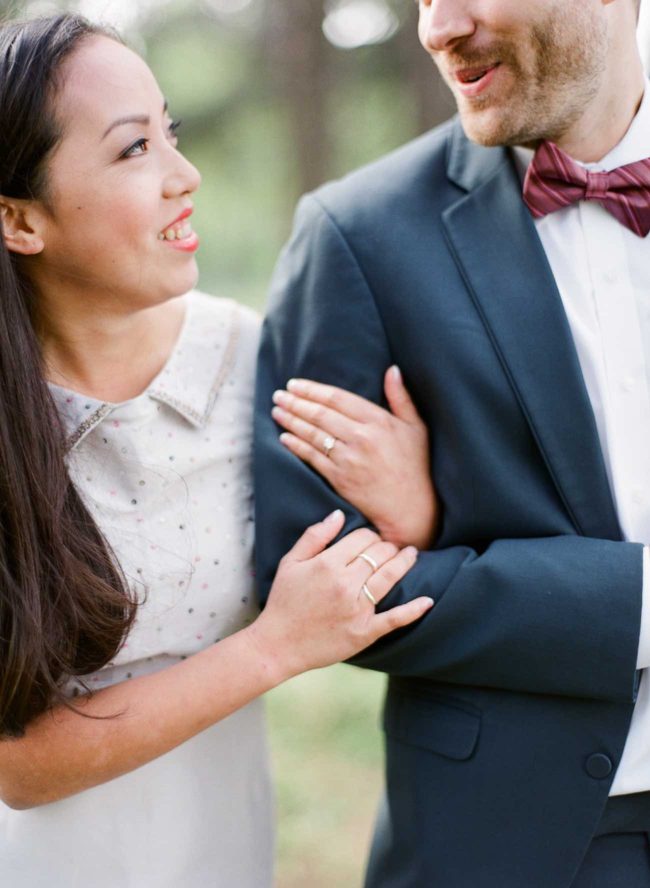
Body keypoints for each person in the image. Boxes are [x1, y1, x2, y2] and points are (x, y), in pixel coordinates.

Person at [0, 13, 435, 888]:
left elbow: (372, 565)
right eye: (133, 150)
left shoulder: (256, 365)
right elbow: (19, 765)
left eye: (174, 132)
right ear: (19, 219)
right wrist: (272, 648)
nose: (184, 175)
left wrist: (411, 504)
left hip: (228, 854)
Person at [254, 0, 650, 884]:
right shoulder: (358, 235)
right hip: (517, 841)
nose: (436, 26)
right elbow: (311, 576)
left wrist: (444, 534)